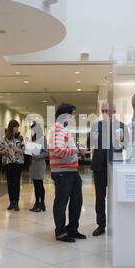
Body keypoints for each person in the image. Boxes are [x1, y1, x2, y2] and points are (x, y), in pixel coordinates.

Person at [49, 103, 91, 242]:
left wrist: (75, 156)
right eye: (73, 114)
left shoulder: (63, 130)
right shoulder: (57, 130)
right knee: (61, 203)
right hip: (63, 173)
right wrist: (78, 150)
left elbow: (63, 151)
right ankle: (60, 232)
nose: (74, 117)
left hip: (71, 171)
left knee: (77, 201)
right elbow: (58, 151)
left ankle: (72, 229)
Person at [87, 101, 129, 236]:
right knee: (100, 197)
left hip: (115, 166)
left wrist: (121, 141)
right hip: (99, 166)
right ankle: (101, 224)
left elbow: (126, 145)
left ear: (114, 112)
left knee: (116, 196)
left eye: (107, 111)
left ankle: (117, 222)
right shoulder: (95, 126)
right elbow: (88, 145)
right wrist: (92, 139)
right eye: (103, 111)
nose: (104, 113)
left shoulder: (121, 126)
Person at [0, 120, 25, 211]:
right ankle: (11, 201)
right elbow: (0, 151)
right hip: (8, 162)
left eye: (18, 127)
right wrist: (5, 150)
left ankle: (17, 202)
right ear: (11, 127)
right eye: (15, 127)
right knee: (10, 182)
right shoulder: (4, 138)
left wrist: (16, 149)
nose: (17, 129)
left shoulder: (20, 138)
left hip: (18, 162)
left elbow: (24, 150)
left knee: (16, 182)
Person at [28, 121, 49, 212]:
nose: (31, 131)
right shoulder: (32, 139)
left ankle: (42, 204)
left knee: (39, 185)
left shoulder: (42, 139)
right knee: (35, 185)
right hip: (33, 164)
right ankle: (36, 203)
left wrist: (37, 156)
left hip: (40, 165)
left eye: (33, 130)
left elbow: (46, 153)